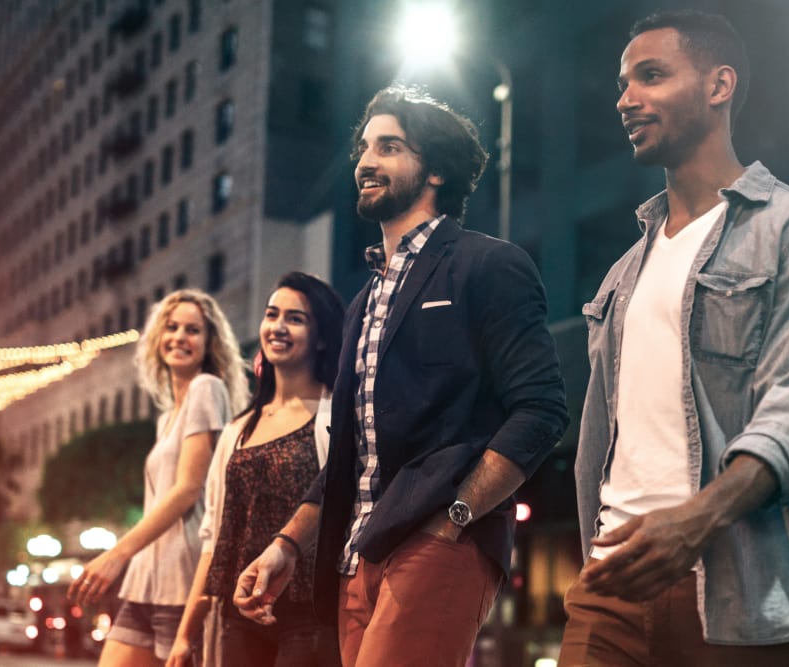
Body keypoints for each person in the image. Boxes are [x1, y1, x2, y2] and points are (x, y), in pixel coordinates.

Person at [233, 87, 569, 667]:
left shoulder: (488, 265)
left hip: (438, 541)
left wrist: (457, 516)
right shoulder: (363, 303)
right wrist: (287, 546)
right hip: (355, 552)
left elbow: (541, 411)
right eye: (365, 147)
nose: (366, 161)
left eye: (390, 147)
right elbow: (349, 456)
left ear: (435, 169)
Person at [560, 10, 789, 666]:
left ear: (719, 86)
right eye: (624, 82)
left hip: (743, 589)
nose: (626, 99)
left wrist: (698, 519)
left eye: (651, 76)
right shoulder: (624, 272)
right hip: (610, 587)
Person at [166, 271, 345, 667]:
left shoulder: (336, 419)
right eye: (271, 314)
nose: (278, 327)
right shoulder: (237, 430)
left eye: (295, 319)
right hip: (239, 615)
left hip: (310, 616)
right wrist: (185, 635)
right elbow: (214, 539)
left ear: (322, 338)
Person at [68, 289, 248, 667]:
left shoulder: (206, 388)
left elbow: (187, 491)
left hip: (181, 582)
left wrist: (116, 554)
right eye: (172, 327)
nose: (180, 337)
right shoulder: (167, 416)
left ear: (209, 343)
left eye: (193, 330)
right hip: (144, 581)